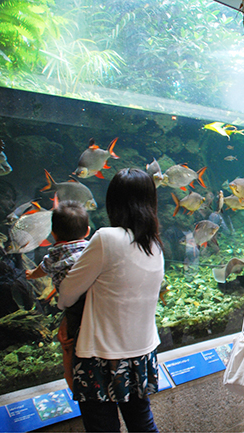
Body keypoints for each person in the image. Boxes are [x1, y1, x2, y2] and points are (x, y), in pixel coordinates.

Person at [58, 168, 164, 432]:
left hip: (101, 355)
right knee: (142, 423)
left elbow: (68, 293)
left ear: (113, 201)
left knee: (102, 427)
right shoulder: (155, 245)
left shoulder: (106, 238)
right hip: (141, 352)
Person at [26, 201, 90, 391]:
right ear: (87, 231)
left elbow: (41, 270)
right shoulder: (90, 249)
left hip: (72, 307)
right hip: (93, 302)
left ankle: (70, 378)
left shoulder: (53, 255)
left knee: (67, 342)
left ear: (53, 234)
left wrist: (30, 275)